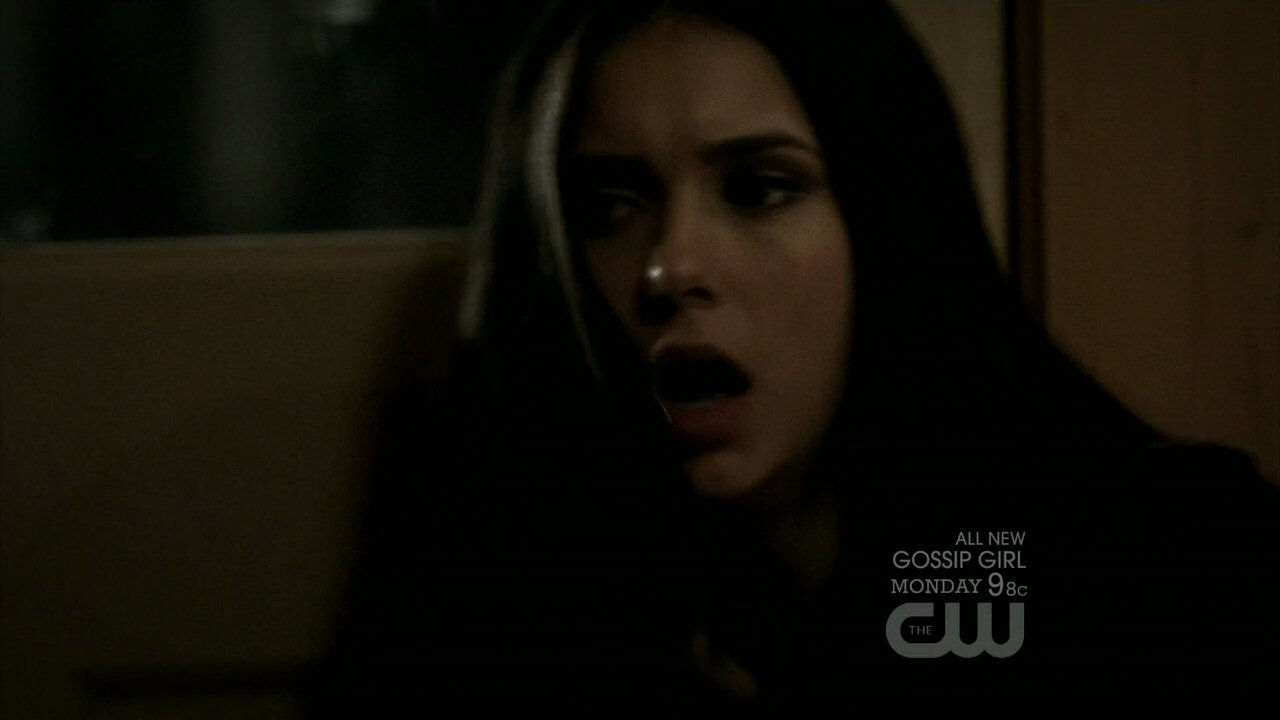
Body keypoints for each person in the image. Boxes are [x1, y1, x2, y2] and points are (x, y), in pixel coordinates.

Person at [308, 1, 1280, 714]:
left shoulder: (1159, 570)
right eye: (608, 207)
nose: (669, 267)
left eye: (760, 189)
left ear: (887, 223)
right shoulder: (493, 620)